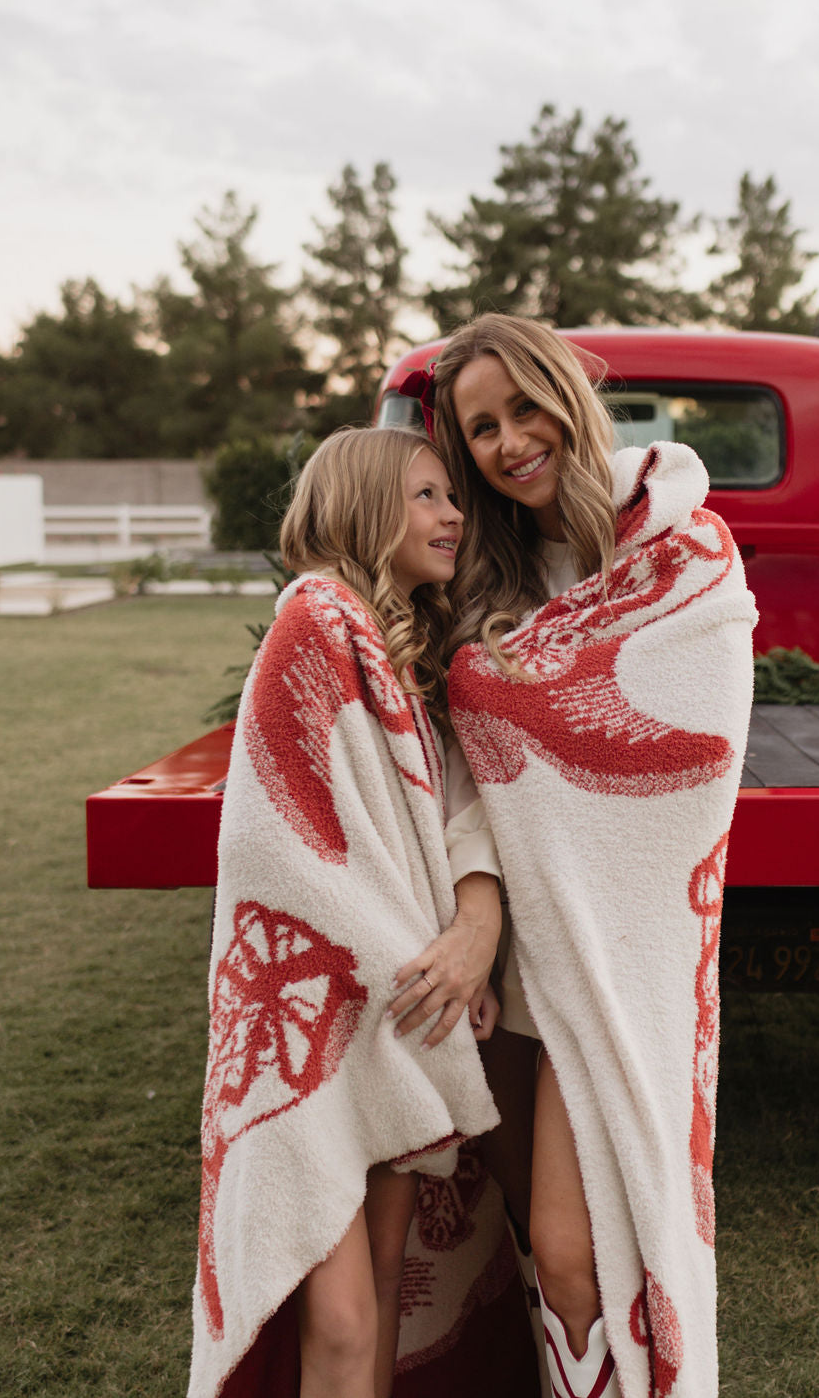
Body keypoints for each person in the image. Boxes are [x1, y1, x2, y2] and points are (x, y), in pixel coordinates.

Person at [428, 314, 758, 1398]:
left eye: (525, 406)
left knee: (577, 1254)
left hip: (614, 947)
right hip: (512, 952)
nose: (510, 440)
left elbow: (696, 758)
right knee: (521, 1240)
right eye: (480, 427)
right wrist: (479, 914)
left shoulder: (682, 548)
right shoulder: (485, 576)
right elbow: (466, 769)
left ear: (570, 394)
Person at [187, 426, 507, 1398]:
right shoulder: (317, 621)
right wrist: (418, 958)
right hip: (324, 1014)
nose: (452, 515)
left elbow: (422, 818)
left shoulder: (402, 646)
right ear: (366, 505)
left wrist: (466, 942)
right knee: (337, 1311)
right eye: (425, 496)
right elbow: (274, 839)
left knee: (382, 1278)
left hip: (394, 1006)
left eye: (452, 497)